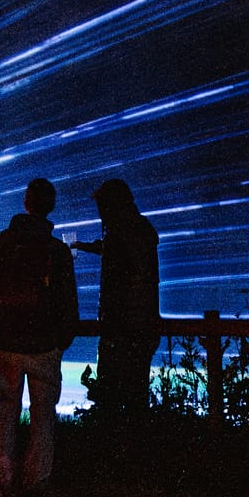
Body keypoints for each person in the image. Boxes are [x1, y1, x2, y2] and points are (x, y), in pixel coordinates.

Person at [0, 177, 78, 497]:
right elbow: (68, 303)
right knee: (43, 416)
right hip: (44, 345)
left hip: (5, 342)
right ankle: (37, 483)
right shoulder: (57, 251)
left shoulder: (2, 242)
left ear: (26, 203)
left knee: (4, 413)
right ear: (51, 206)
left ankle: (1, 481)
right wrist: (62, 339)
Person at [72, 178, 160, 421]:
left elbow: (117, 277)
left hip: (121, 329)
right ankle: (135, 449)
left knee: (110, 399)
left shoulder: (119, 233)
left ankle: (113, 449)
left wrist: (110, 325)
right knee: (136, 396)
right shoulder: (141, 229)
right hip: (144, 324)